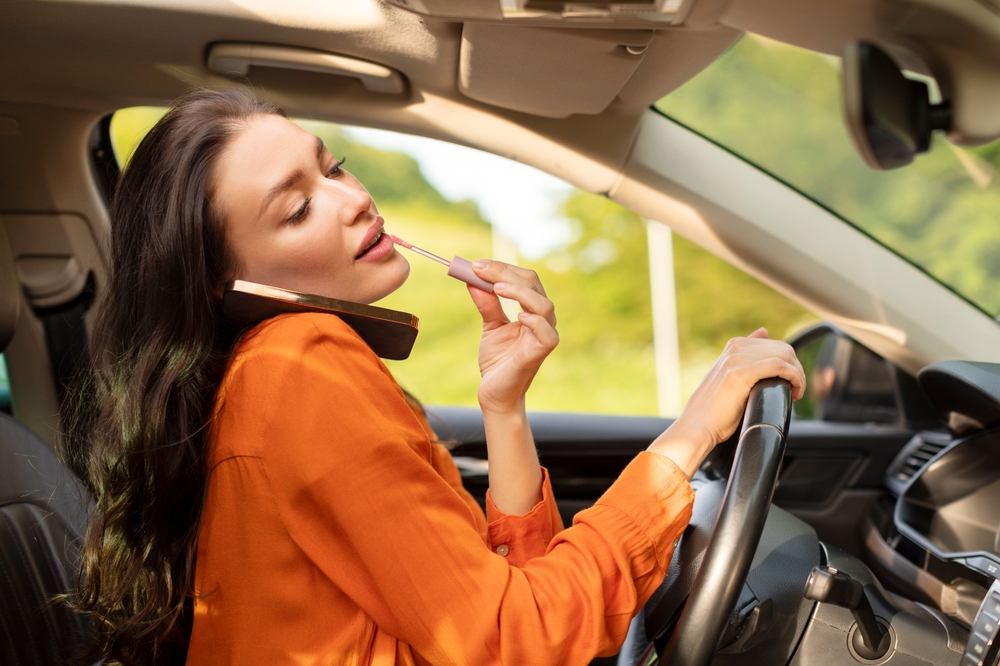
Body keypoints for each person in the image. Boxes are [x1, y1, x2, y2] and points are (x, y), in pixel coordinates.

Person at [69, 88, 805, 666]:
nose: (353, 198)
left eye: (334, 167)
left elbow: (495, 605)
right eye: (297, 209)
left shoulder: (266, 372)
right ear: (227, 281)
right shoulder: (297, 366)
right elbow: (516, 640)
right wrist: (690, 435)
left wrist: (504, 409)